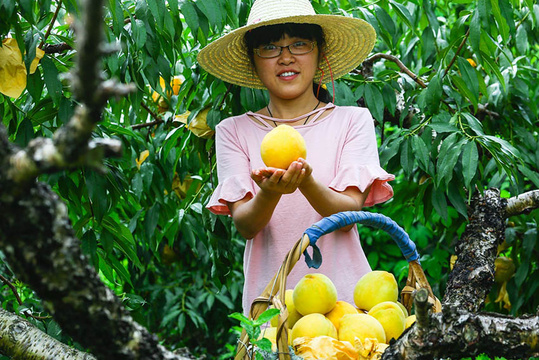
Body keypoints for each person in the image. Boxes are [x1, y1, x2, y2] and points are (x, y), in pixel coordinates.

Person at [198, 0, 395, 314]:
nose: (285, 57)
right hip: (272, 309)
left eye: (299, 44)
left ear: (319, 52)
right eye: (269, 47)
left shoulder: (351, 121)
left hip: (346, 308)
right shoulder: (234, 131)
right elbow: (246, 225)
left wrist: (306, 183)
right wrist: (270, 192)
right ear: (252, 60)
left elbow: (348, 217)